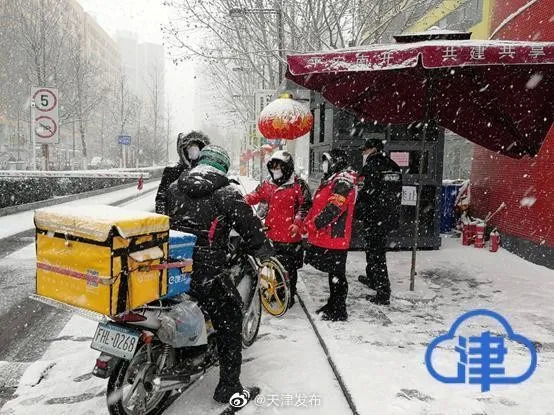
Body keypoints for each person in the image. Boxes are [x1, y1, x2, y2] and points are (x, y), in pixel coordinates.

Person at [167, 144, 272, 404]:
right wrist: (265, 251)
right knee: (231, 317)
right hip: (206, 272)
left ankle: (189, 350)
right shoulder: (226, 193)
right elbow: (251, 230)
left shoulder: (174, 187)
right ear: (223, 167)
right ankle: (229, 388)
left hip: (173, 266)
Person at [244, 150, 312, 307]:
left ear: (286, 167)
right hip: (272, 233)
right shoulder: (267, 184)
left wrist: (297, 222)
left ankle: (289, 295)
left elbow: (306, 205)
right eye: (273, 167)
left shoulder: (298, 184)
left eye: (278, 166)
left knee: (289, 269)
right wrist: (242, 200)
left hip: (290, 235)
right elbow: (255, 195)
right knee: (274, 266)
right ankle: (278, 292)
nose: (275, 170)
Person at [303, 149, 357, 321]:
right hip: (328, 235)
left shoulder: (343, 181)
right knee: (333, 273)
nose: (323, 165)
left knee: (337, 274)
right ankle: (333, 304)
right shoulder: (332, 179)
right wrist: (309, 222)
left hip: (336, 235)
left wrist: (314, 224)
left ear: (336, 162)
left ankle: (339, 310)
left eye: (326, 161)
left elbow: (334, 208)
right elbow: (318, 205)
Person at [355, 138, 401, 306]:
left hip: (374, 217)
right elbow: (396, 191)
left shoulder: (370, 167)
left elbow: (363, 193)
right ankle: (373, 278)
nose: (363, 153)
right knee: (375, 249)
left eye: (365, 150)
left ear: (372, 149)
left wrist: (358, 211)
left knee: (375, 252)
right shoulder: (393, 165)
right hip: (387, 217)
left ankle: (383, 292)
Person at [155, 131, 210, 215]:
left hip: (202, 221)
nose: (193, 151)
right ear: (184, 151)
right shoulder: (172, 172)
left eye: (196, 148)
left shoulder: (207, 173)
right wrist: (163, 217)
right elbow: (161, 198)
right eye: (190, 148)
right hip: (176, 220)